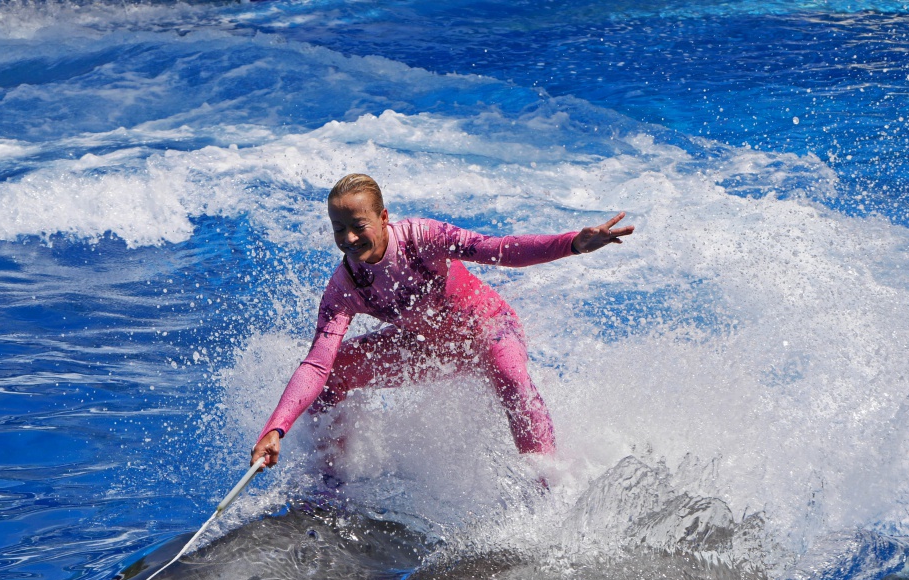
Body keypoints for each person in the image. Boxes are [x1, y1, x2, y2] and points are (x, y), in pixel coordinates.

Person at [250, 173, 633, 470]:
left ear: (383, 218)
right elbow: (316, 363)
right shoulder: (345, 286)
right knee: (334, 374)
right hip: (431, 351)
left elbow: (498, 249)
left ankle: (549, 481)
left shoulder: (424, 237)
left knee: (509, 373)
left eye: (358, 225)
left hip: (489, 327)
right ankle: (331, 486)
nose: (348, 237)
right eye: (338, 228)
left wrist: (573, 244)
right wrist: (275, 428)